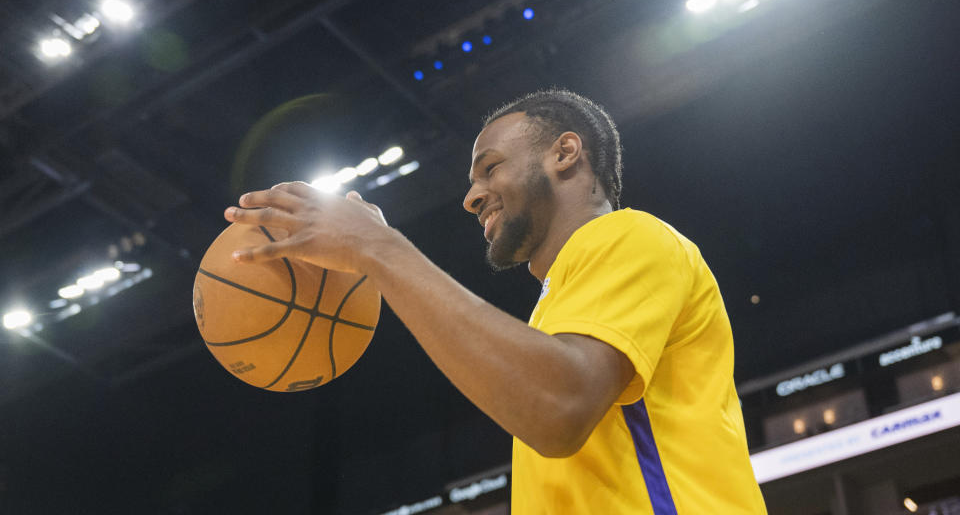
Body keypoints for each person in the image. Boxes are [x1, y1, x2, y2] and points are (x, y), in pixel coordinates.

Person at [224, 89, 767, 514]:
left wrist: (379, 250)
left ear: (565, 152)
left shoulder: (631, 236)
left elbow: (560, 410)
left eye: (491, 167)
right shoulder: (555, 312)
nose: (471, 195)